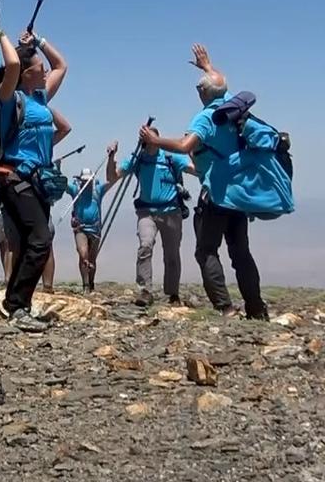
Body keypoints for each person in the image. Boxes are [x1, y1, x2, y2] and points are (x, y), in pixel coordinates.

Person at [137, 44, 267, 320]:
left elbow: (185, 146)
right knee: (240, 252)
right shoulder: (234, 107)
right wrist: (208, 66)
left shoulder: (206, 117)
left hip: (216, 195)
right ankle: (256, 308)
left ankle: (225, 308)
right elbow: (220, 85)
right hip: (239, 195)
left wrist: (155, 141)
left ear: (201, 93)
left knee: (206, 250)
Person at [0, 29, 71, 332]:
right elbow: (10, 66)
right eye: (39, 68)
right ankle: (16, 304)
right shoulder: (11, 98)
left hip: (38, 182)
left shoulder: (40, 97)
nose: (45, 70)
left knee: (26, 244)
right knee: (40, 240)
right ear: (26, 74)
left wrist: (39, 42)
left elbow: (62, 65)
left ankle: (17, 303)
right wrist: (3, 39)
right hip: (14, 177)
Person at [106, 134, 196, 307]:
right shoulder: (138, 158)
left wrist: (193, 153)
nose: (146, 145)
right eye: (144, 141)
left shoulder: (171, 157)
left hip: (171, 212)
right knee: (145, 246)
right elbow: (112, 177)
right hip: (146, 212)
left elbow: (196, 171)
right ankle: (145, 291)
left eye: (149, 141)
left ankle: (173, 293)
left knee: (171, 254)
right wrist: (112, 157)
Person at [65, 162, 108, 292]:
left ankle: (91, 282)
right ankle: (85, 285)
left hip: (95, 229)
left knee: (92, 258)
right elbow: (63, 185)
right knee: (83, 254)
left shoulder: (98, 190)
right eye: (83, 181)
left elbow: (112, 181)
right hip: (80, 229)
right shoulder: (75, 190)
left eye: (88, 181)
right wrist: (57, 167)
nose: (86, 183)